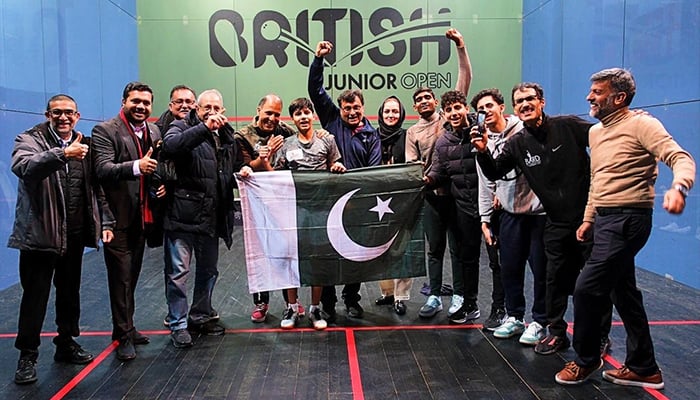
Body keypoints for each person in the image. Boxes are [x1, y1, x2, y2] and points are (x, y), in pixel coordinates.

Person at [555, 68, 695, 388]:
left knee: (587, 288)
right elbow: (598, 180)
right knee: (624, 294)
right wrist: (589, 218)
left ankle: (586, 360)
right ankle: (644, 367)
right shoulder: (596, 132)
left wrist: (680, 187)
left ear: (618, 98)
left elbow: (680, 157)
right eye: (591, 91)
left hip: (629, 220)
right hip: (604, 220)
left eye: (598, 92)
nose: (589, 96)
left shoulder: (643, 124)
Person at [473, 82, 613, 356]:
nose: (524, 105)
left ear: (542, 102)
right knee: (554, 280)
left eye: (530, 99)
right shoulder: (517, 143)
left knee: (596, 281)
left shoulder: (568, 126)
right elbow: (494, 172)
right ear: (515, 108)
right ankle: (557, 333)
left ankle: (600, 335)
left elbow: (605, 139)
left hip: (590, 219)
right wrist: (481, 151)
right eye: (520, 101)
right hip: (556, 222)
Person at [9, 94, 115, 384]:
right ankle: (27, 356)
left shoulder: (86, 145)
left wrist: (105, 221)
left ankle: (66, 343)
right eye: (57, 112)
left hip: (75, 235)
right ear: (48, 115)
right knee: (35, 299)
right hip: (40, 236)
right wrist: (62, 154)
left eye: (69, 112)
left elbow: (96, 188)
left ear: (78, 116)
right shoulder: (30, 139)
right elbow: (24, 167)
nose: (63, 117)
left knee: (70, 295)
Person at [160, 89, 252, 348]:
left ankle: (200, 315)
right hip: (183, 216)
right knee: (178, 272)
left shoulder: (227, 136)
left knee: (209, 271)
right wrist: (203, 128)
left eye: (216, 108)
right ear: (197, 110)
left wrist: (242, 170)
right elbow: (171, 146)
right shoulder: (180, 126)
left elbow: (232, 166)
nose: (212, 112)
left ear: (223, 110)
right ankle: (177, 324)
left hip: (212, 216)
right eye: (206, 107)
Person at [308, 40, 382, 321]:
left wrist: (358, 199)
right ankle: (327, 303)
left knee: (355, 256)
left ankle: (352, 299)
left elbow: (373, 170)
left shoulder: (371, 135)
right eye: (346, 107)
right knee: (327, 254)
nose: (351, 111)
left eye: (356, 107)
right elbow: (315, 90)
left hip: (357, 204)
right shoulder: (330, 120)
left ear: (363, 107)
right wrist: (318, 60)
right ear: (339, 109)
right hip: (328, 201)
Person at [92, 81, 165, 361]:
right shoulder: (105, 130)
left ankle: (127, 327)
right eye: (136, 101)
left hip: (142, 217)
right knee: (121, 278)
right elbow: (102, 169)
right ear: (124, 101)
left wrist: (159, 185)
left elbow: (155, 166)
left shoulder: (154, 130)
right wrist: (137, 167)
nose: (141, 107)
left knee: (131, 277)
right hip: (116, 219)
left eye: (146, 103)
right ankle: (122, 335)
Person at [404, 28, 473, 319]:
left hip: (456, 196)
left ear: (436, 102)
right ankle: (433, 296)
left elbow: (464, 78)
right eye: (418, 99)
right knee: (434, 251)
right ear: (415, 105)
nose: (423, 102)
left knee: (458, 249)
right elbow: (411, 165)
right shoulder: (412, 132)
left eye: (427, 97)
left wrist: (460, 46)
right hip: (431, 198)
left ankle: (458, 296)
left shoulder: (449, 117)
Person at [470, 88, 547, 342]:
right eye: (480, 110)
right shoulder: (481, 141)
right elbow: (485, 184)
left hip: (538, 213)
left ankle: (539, 321)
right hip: (508, 214)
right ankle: (514, 317)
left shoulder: (523, 131)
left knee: (540, 269)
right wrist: (484, 219)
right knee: (510, 268)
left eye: (489, 106)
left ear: (502, 107)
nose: (485, 112)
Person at [272, 97, 346, 330]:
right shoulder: (287, 144)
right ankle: (292, 307)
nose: (303, 117)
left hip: (321, 210)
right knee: (291, 258)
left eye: (307, 113)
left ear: (313, 116)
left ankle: (315, 308)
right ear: (292, 119)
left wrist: (336, 168)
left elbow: (337, 165)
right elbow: (275, 174)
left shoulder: (327, 140)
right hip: (293, 210)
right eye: (298, 114)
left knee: (317, 259)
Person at [234, 94, 302, 324]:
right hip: (255, 203)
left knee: (285, 249)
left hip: (281, 203)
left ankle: (290, 302)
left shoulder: (286, 132)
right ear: (258, 110)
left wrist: (320, 133)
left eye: (276, 114)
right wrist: (263, 158)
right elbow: (242, 167)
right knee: (261, 249)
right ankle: (261, 303)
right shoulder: (242, 135)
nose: (272, 118)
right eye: (268, 113)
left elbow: (303, 141)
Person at [424, 90, 482, 325]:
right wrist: (425, 180)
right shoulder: (443, 141)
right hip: (464, 208)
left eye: (458, 107)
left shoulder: (482, 131)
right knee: (469, 258)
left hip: (490, 207)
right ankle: (470, 304)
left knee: (499, 263)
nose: (454, 113)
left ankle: (508, 311)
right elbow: (438, 172)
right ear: (444, 114)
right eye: (449, 110)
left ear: (466, 108)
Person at [374, 95, 413, 315]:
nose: (391, 115)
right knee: (380, 249)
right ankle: (387, 293)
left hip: (402, 202)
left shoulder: (407, 136)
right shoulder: (372, 136)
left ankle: (401, 296)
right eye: (387, 111)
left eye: (395, 112)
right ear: (381, 113)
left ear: (401, 114)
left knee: (402, 248)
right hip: (376, 202)